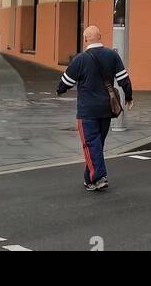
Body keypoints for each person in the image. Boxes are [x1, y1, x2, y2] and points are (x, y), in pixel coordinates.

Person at [56, 25, 133, 191]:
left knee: (90, 144)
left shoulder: (80, 59)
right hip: (107, 109)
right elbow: (123, 78)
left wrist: (59, 90)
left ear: (85, 39)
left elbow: (66, 83)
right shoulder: (112, 55)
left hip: (87, 111)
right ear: (100, 37)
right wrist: (129, 97)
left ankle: (98, 177)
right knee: (97, 144)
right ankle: (89, 178)